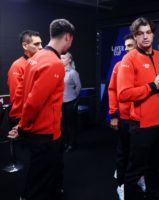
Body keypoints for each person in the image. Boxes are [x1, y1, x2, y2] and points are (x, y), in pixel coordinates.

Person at [8, 18, 75, 200]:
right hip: (45, 133)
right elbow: (33, 101)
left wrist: (22, 124)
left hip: (39, 131)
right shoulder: (53, 62)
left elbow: (23, 94)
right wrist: (22, 126)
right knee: (40, 180)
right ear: (68, 37)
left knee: (41, 174)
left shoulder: (35, 58)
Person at [117, 17, 159, 200]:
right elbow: (124, 94)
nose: (145, 37)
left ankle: (151, 195)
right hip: (142, 125)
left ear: (153, 34)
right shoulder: (129, 59)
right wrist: (152, 86)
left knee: (155, 166)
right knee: (135, 170)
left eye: (148, 32)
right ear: (135, 37)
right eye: (140, 33)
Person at [108, 34, 146, 200]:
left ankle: (140, 178)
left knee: (140, 152)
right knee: (123, 152)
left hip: (142, 118)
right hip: (124, 117)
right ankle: (121, 185)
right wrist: (113, 114)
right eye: (125, 46)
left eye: (130, 45)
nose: (126, 49)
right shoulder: (119, 65)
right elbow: (112, 91)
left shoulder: (146, 64)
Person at [7, 30, 42, 128]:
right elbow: (16, 98)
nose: (41, 47)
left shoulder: (39, 64)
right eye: (36, 44)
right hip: (22, 118)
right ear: (25, 46)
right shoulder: (17, 66)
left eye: (41, 43)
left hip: (37, 117)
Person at [61, 52, 81, 152]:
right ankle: (64, 142)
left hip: (70, 102)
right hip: (60, 103)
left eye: (63, 58)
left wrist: (74, 98)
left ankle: (71, 144)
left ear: (69, 60)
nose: (61, 59)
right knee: (62, 124)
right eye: (60, 58)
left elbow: (78, 87)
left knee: (71, 124)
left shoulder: (73, 72)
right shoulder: (59, 71)